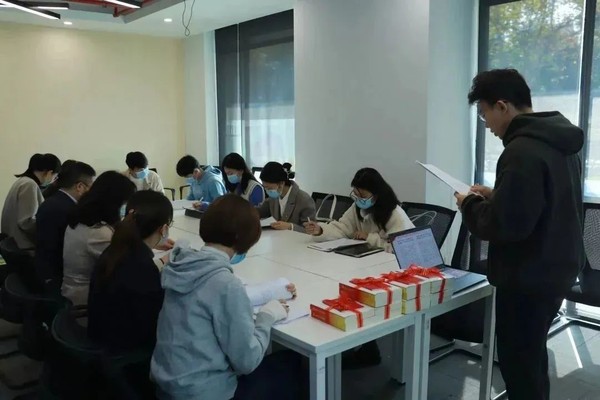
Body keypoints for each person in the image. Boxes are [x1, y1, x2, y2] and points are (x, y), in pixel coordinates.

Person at [455, 69, 585, 400]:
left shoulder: (521, 151)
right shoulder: (560, 140)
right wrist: (498, 195)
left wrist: (469, 204)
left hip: (527, 277)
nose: (486, 124)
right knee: (532, 356)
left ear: (502, 106)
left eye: (484, 113)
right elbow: (546, 201)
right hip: (556, 268)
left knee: (520, 366)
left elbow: (503, 226)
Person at [151, 195, 303, 400]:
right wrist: (267, 316)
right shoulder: (226, 285)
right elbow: (247, 361)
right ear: (245, 239)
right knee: (291, 362)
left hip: (167, 387)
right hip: (205, 393)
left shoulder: (182, 266)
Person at [87, 191, 173, 398]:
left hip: (101, 337)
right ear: (163, 229)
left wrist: (158, 257)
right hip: (128, 353)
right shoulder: (141, 267)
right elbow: (156, 323)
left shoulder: (116, 250)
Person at [62, 171, 136, 306]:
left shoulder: (82, 218)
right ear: (114, 202)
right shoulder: (98, 232)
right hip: (86, 301)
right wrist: (161, 260)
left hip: (74, 289)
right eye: (125, 203)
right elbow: (129, 268)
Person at [305, 168, 414, 252]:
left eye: (363, 196)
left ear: (377, 194)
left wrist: (369, 238)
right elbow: (343, 229)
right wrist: (320, 230)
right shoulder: (357, 207)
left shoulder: (395, 214)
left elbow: (401, 249)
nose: (358, 200)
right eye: (356, 194)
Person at [35, 161, 96, 291]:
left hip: (45, 269)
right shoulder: (67, 210)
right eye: (91, 187)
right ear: (80, 187)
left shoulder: (54, 201)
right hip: (57, 277)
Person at [1, 153, 61, 250]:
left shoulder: (23, 181)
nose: (54, 180)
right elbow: (26, 222)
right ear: (49, 173)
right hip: (22, 246)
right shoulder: (29, 185)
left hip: (12, 242)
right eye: (55, 176)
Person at [257, 162, 315, 231]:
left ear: (281, 183)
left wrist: (290, 226)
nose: (267, 190)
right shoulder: (273, 197)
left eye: (269, 188)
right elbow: (260, 211)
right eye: (265, 187)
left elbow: (312, 230)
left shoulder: (304, 200)